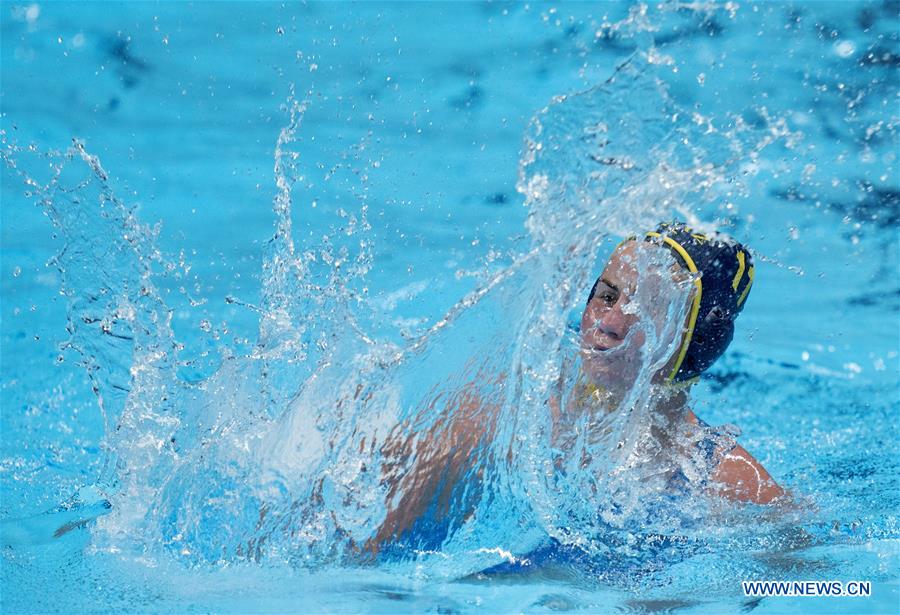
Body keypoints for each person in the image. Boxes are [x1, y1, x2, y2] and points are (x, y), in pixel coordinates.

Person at [371, 222, 784, 553]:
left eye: (647, 309)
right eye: (606, 296)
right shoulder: (512, 412)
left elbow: (814, 574)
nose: (608, 323)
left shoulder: (727, 481)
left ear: (695, 343)